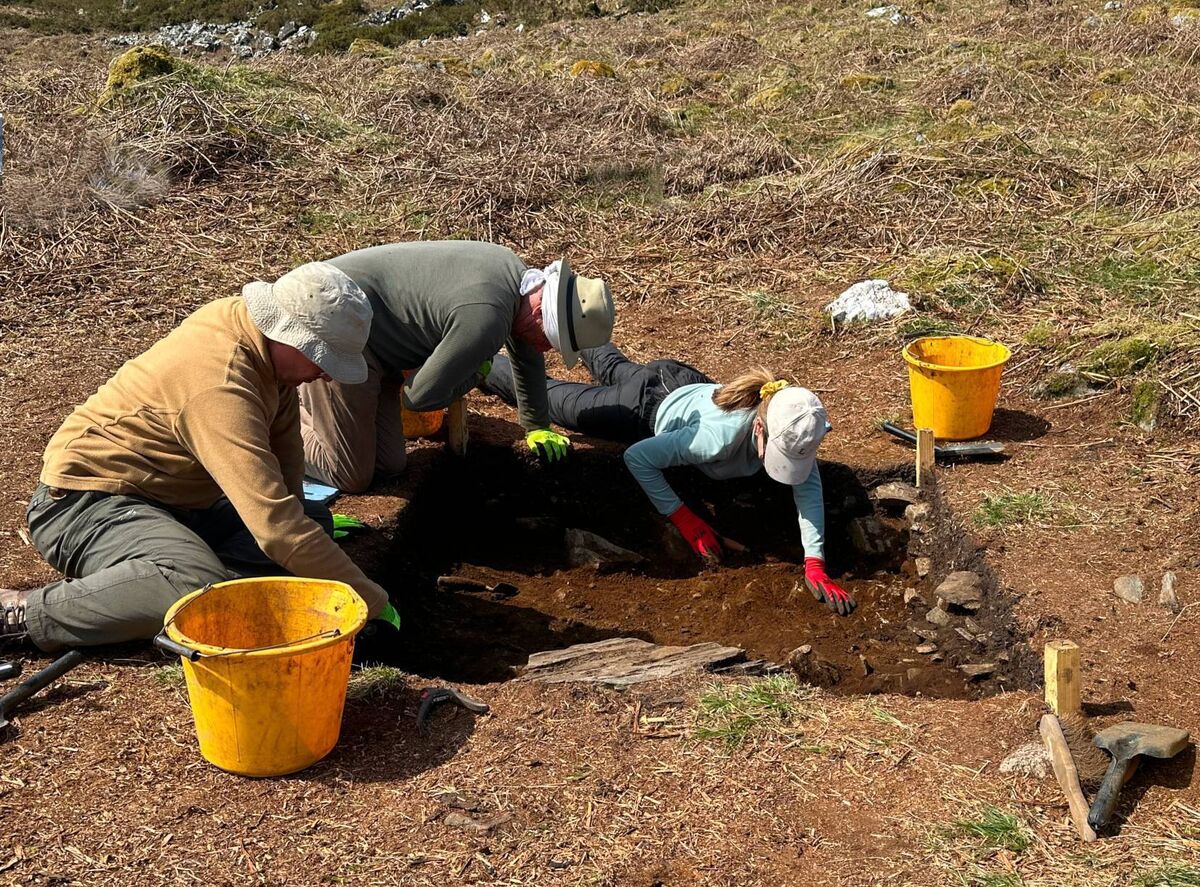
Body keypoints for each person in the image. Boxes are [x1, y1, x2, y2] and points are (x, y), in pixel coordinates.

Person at [0, 263, 394, 652]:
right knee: (193, 582)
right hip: (86, 504)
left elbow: (285, 457)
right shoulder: (218, 384)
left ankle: (170, 582)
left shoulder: (257, 340)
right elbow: (276, 529)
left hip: (174, 502)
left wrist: (299, 524)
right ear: (288, 336)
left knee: (310, 519)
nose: (326, 375)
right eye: (322, 359)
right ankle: (22, 614)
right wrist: (373, 601)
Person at [482, 344, 856, 616]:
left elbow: (807, 485)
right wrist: (684, 519)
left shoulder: (793, 420)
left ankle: (584, 336)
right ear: (760, 428)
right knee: (550, 399)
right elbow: (638, 457)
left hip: (680, 381)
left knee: (614, 366)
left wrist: (815, 562)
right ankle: (479, 363)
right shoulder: (714, 441)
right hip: (643, 405)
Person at [298, 241, 616, 493]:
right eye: (550, 341)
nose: (544, 349)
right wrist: (478, 372)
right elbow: (417, 397)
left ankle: (314, 410)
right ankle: (277, 423)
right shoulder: (487, 317)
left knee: (389, 464)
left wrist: (537, 425)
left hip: (377, 348)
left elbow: (526, 352)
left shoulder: (515, 278)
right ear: (540, 315)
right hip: (334, 322)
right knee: (349, 474)